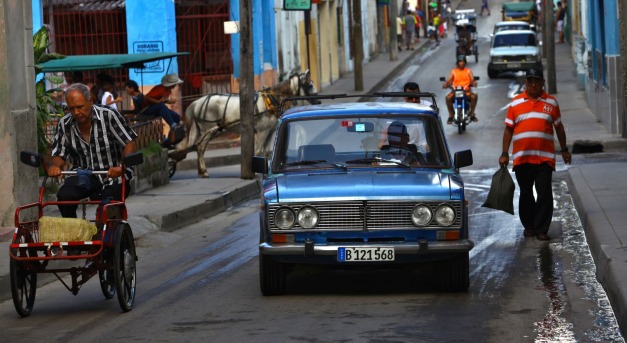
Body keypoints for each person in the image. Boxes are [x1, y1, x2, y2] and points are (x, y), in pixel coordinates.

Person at [498, 68, 571, 241]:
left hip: (545, 158)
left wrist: (564, 150)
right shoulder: (515, 103)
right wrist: (504, 154)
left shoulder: (551, 103)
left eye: (536, 81)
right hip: (522, 158)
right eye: (529, 81)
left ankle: (542, 229)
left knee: (544, 194)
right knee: (526, 194)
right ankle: (529, 226)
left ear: (542, 83)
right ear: (525, 83)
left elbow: (559, 128)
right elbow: (508, 130)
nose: (533, 84)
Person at [48, 83, 138, 218]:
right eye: (71, 109)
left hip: (113, 175)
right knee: (64, 196)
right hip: (83, 175)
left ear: (90, 101)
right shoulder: (64, 124)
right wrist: (55, 166)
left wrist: (122, 166)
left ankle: (106, 232)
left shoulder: (109, 115)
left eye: (80, 107)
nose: (76, 113)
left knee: (107, 210)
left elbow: (129, 142)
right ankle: (74, 231)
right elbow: (59, 153)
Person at [442, 55, 478, 125]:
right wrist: (446, 84)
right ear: (458, 62)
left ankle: (472, 114)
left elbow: (472, 79)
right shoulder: (453, 71)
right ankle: (451, 115)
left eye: (463, 61)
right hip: (455, 91)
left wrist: (474, 83)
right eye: (460, 61)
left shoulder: (468, 71)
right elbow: (449, 80)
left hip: (466, 91)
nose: (462, 63)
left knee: (474, 96)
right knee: (448, 98)